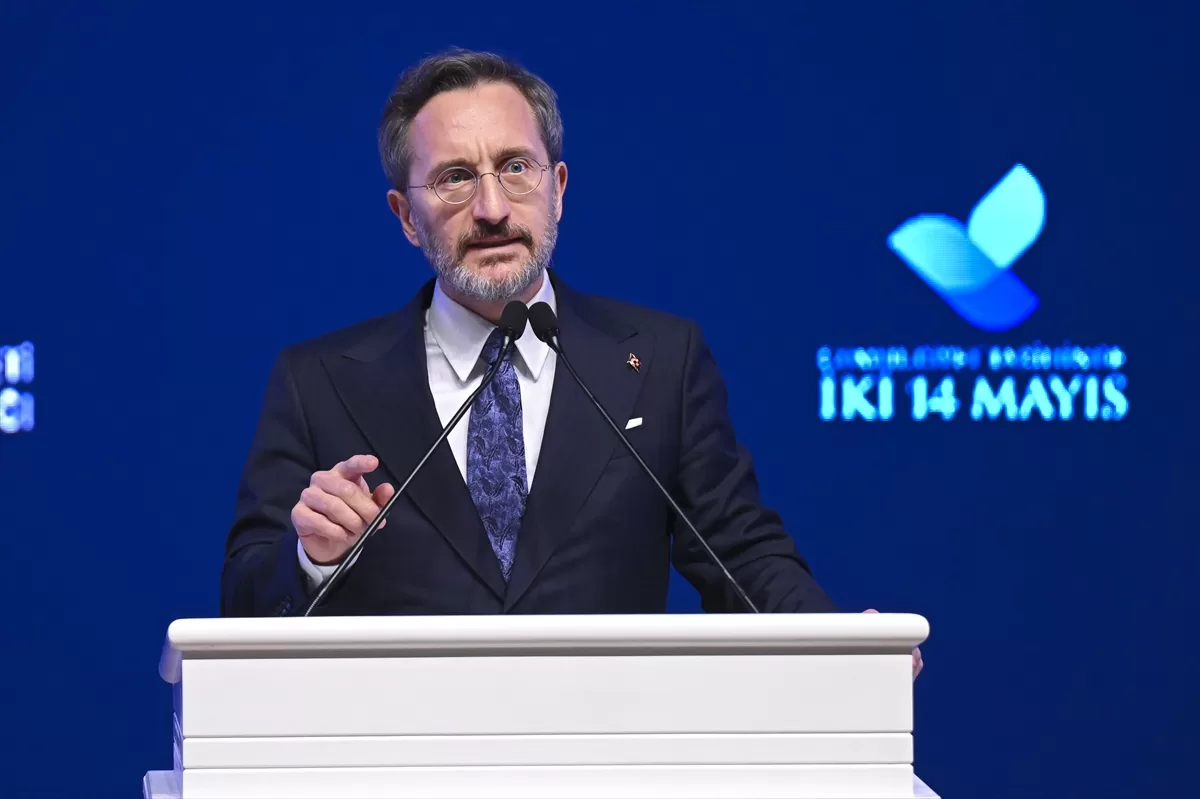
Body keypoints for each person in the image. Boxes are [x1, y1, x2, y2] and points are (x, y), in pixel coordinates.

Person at [218, 47, 922, 678]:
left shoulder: (661, 360)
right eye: (456, 178)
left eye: (515, 168)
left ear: (557, 186)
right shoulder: (318, 381)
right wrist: (311, 557)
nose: (492, 207)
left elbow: (741, 556)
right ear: (406, 216)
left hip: (610, 749)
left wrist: (836, 644)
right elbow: (243, 604)